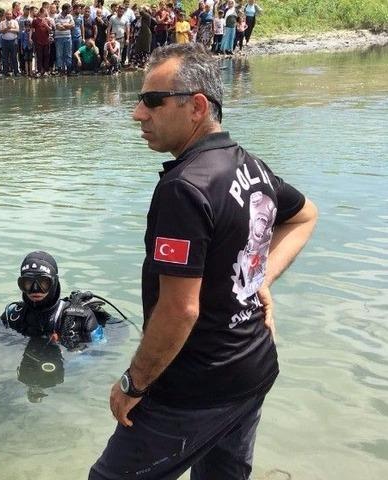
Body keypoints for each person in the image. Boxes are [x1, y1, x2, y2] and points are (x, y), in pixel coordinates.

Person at [89, 43, 318, 480]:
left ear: (196, 106)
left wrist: (133, 382)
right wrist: (256, 279)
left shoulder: (184, 188)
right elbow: (305, 215)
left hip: (194, 389)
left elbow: (180, 309)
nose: (138, 114)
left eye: (152, 101)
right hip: (253, 368)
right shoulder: (250, 166)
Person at [0, 251, 114, 351]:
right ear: (21, 284)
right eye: (28, 283)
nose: (35, 289)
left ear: (54, 283)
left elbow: (98, 353)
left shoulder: (82, 319)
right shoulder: (12, 316)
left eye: (43, 282)